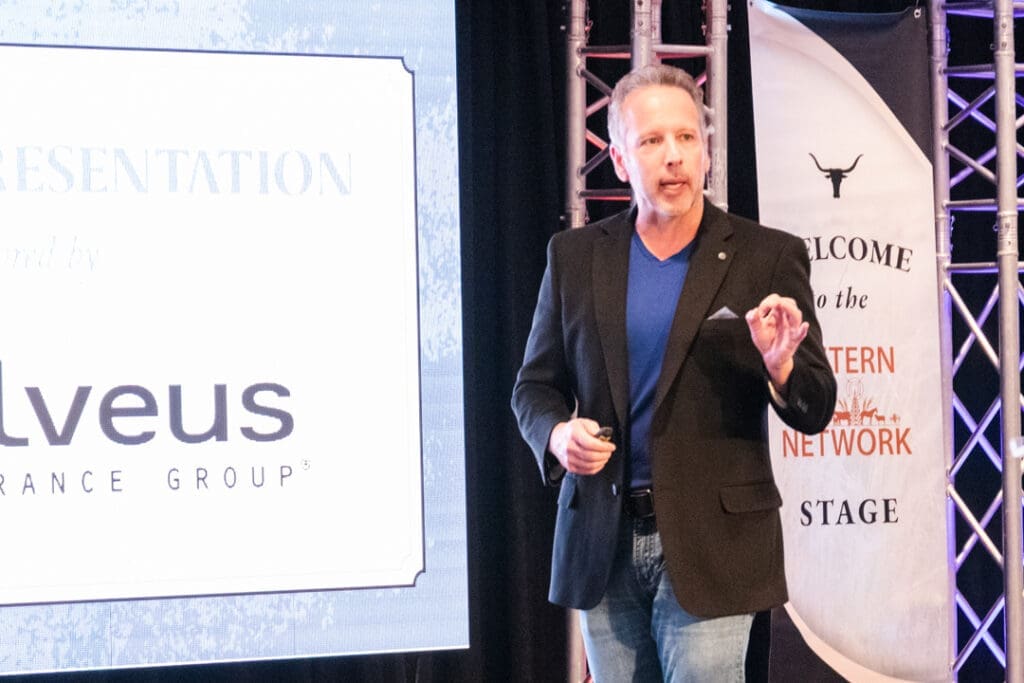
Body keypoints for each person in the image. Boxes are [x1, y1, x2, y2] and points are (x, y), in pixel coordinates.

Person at [511, 64, 837, 681]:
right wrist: (556, 434)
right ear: (618, 160)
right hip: (603, 541)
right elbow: (534, 386)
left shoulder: (767, 256)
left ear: (707, 152)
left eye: (687, 137)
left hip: (716, 543)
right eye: (652, 141)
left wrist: (781, 366)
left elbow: (816, 405)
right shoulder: (575, 257)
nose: (674, 156)